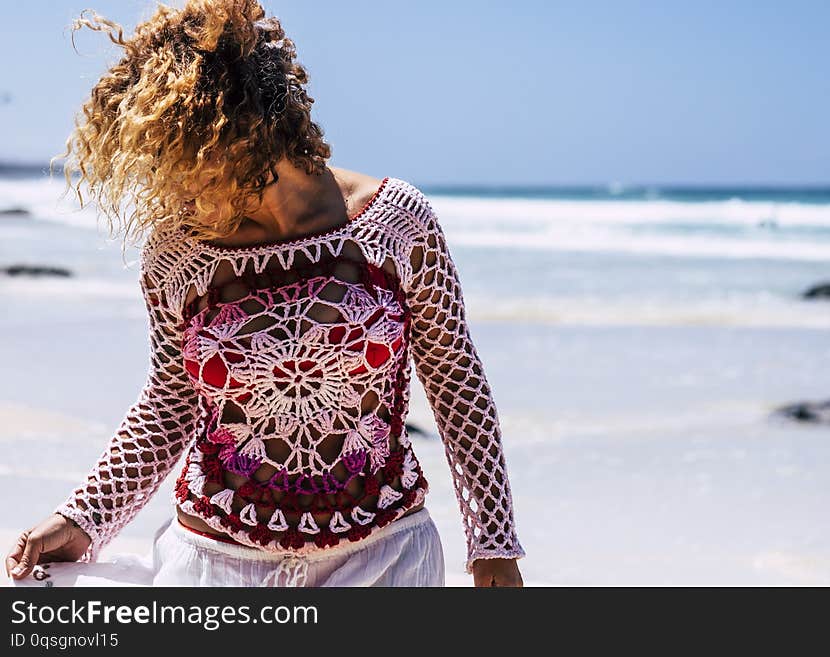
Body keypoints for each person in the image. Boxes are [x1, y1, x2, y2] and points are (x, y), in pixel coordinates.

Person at [5, 0, 525, 587]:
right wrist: (85, 517)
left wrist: (493, 541)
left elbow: (455, 379)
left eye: (185, 162)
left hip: (385, 561)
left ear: (243, 132)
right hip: (213, 566)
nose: (172, 187)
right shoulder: (181, 251)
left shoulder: (394, 222)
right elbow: (171, 400)